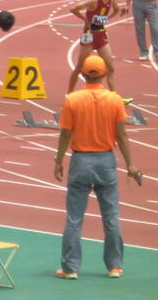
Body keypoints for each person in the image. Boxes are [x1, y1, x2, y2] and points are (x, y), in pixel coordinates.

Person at [53, 55, 141, 280]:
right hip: (105, 161)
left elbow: (65, 134)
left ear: (82, 74)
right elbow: (122, 135)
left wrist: (59, 160)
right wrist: (130, 164)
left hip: (81, 160)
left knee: (74, 218)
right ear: (104, 75)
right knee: (111, 216)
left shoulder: (72, 99)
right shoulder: (115, 100)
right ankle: (114, 267)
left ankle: (70, 268)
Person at [67, 0, 128, 100]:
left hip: (101, 35)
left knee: (110, 68)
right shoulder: (94, 0)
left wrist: (106, 18)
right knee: (79, 67)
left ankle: (115, 98)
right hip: (89, 36)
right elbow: (73, 9)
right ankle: (69, 94)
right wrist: (86, 20)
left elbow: (116, 10)